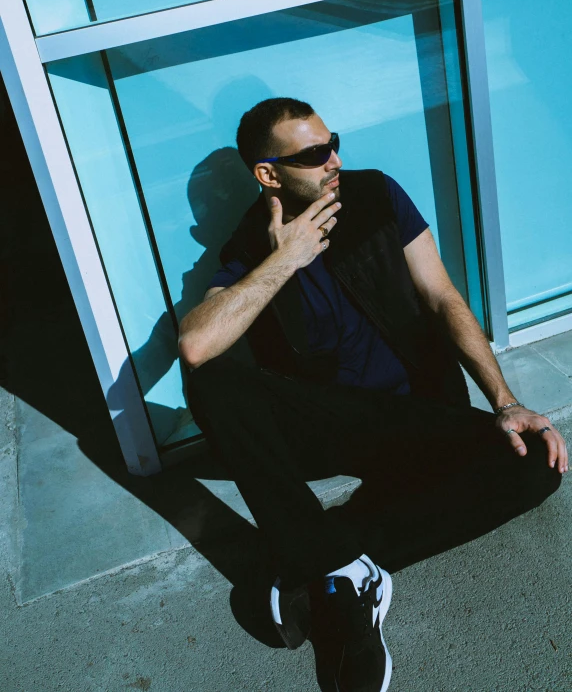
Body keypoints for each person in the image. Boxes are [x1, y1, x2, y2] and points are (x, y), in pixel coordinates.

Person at [178, 97, 568, 692]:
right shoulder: (250, 250)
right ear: (268, 173)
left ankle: (325, 566)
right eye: (312, 154)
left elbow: (443, 296)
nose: (333, 159)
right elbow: (197, 346)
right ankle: (337, 572)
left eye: (333, 142)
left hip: (418, 414)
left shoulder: (377, 195)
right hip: (335, 425)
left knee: (537, 459)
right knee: (207, 377)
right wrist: (287, 259)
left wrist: (506, 403)